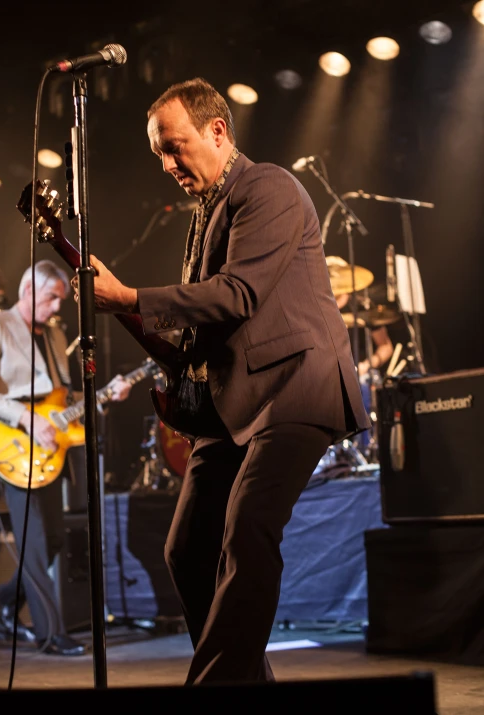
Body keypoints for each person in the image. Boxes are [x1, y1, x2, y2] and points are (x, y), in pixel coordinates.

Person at [75, 78, 370, 683]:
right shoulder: (206, 211)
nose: (167, 163)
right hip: (233, 403)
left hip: (294, 387)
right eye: (159, 152)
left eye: (175, 146)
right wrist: (128, 313)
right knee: (186, 550)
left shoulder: (268, 185)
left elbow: (238, 294)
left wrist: (130, 295)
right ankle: (243, 683)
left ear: (217, 129)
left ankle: (216, 689)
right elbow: (200, 329)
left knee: (248, 530)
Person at [0, 259, 130, 656]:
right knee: (36, 542)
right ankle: (51, 633)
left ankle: (6, 602)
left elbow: (64, 400)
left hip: (49, 449)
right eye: (53, 299)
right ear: (28, 291)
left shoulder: (55, 336)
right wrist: (26, 417)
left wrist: (104, 396)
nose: (58, 307)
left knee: (53, 539)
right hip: (11, 442)